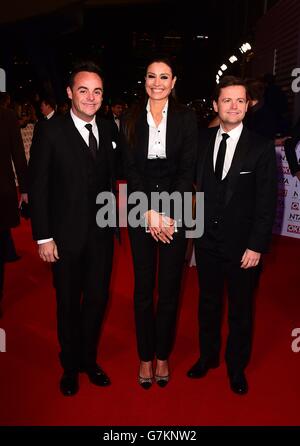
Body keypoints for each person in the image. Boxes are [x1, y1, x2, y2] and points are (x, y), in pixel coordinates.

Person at [29, 62, 117, 396]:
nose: (91, 97)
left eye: (97, 91)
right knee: (67, 304)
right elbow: (38, 187)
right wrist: (43, 235)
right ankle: (69, 367)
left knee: (96, 300)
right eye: (83, 90)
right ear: (69, 93)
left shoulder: (109, 130)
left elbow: (118, 175)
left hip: (102, 237)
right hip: (64, 239)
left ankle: (87, 360)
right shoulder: (50, 131)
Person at [187, 76, 277, 395]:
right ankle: (207, 357)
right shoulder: (201, 140)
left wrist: (256, 246)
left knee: (241, 310)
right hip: (207, 243)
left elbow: (268, 202)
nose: (234, 106)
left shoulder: (262, 147)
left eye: (240, 100)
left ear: (248, 106)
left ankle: (236, 367)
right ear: (216, 105)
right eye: (227, 100)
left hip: (243, 248)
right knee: (208, 304)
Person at [121, 56, 198, 389]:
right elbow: (130, 169)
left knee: (168, 290)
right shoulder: (129, 117)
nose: (157, 82)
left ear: (174, 81)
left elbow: (187, 170)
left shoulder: (186, 118)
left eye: (164, 77)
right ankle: (143, 356)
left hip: (175, 211)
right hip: (140, 210)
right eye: (151, 76)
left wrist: (167, 214)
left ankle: (162, 355)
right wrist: (148, 212)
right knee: (142, 290)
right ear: (145, 79)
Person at [0, 104, 28, 318]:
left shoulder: (7, 115)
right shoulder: (6, 115)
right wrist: (25, 190)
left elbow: (18, 153)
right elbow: (18, 153)